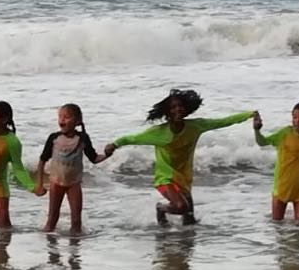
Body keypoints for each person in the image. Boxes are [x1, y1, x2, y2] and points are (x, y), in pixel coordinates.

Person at [103, 89, 255, 225]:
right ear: (167, 112)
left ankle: (182, 249)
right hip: (165, 178)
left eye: (181, 106)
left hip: (184, 178)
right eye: (173, 107)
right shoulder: (158, 133)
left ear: (187, 109)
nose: (178, 109)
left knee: (189, 221)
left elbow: (223, 121)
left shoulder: (195, 126)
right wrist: (114, 145)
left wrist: (250, 114)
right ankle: (161, 209)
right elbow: (131, 138)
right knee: (181, 207)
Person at [35, 103, 106, 233]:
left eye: (66, 117)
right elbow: (42, 161)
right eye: (60, 116)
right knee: (52, 219)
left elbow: (94, 158)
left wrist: (108, 154)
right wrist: (39, 184)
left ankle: (75, 250)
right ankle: (50, 249)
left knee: (76, 220)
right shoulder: (54, 138)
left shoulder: (82, 138)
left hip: (74, 184)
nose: (62, 120)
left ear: (77, 121)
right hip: (56, 182)